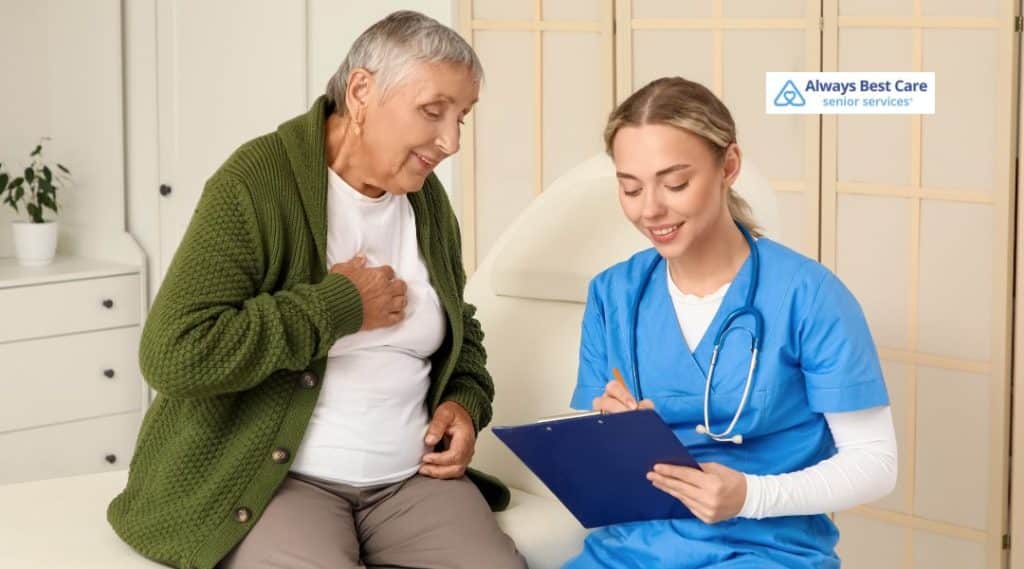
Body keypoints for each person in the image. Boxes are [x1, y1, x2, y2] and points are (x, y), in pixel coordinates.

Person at [108, 11, 524, 569]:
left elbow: (460, 326)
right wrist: (341, 306)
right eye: (432, 112)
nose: (450, 141)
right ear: (361, 92)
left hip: (409, 481)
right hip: (278, 480)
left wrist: (464, 403)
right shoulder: (256, 182)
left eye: (462, 118)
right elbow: (174, 353)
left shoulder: (425, 200)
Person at [566, 76, 898, 568]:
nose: (651, 209)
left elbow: (875, 464)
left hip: (763, 549)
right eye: (631, 188)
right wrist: (608, 433)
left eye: (675, 183)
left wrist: (751, 497)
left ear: (730, 166)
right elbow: (591, 457)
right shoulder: (613, 294)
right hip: (633, 549)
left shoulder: (808, 295)